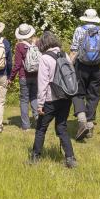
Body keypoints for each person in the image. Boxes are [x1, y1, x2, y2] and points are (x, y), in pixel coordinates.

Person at [29, 31, 77, 168]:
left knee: (41, 129)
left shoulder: (45, 58)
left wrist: (40, 104)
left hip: (50, 99)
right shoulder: (65, 54)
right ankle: (70, 158)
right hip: (66, 97)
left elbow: (43, 83)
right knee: (62, 127)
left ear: (42, 44)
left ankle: (35, 158)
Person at [69, 8, 100, 140]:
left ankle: (82, 121)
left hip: (81, 67)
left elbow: (74, 51)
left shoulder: (79, 30)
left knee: (77, 93)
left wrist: (69, 68)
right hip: (96, 68)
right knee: (93, 96)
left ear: (85, 18)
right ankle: (90, 125)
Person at [10, 23, 39, 131]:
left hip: (24, 76)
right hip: (36, 75)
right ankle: (38, 119)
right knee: (34, 97)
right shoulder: (36, 43)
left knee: (24, 100)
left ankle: (26, 126)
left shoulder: (20, 46)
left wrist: (11, 78)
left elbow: (17, 65)